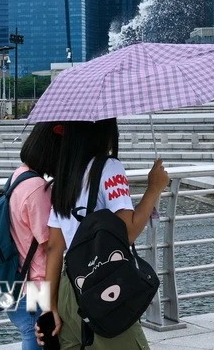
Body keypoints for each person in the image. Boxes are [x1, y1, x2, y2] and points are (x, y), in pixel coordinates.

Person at [40, 119, 169, 350]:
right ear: (103, 131)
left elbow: (54, 248)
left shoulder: (63, 177)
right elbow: (126, 233)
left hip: (69, 289)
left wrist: (51, 306)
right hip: (103, 286)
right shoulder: (109, 167)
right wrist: (154, 188)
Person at [6, 122, 62, 350]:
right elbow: (51, 244)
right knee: (36, 341)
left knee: (30, 336)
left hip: (16, 281)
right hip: (35, 287)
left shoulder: (18, 176)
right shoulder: (37, 188)